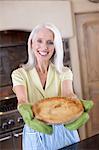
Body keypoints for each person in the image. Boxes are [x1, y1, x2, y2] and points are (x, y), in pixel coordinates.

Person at [11, 23, 80, 150]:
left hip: (64, 132)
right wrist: (25, 109)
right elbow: (23, 100)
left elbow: (68, 95)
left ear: (56, 47)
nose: (44, 47)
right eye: (39, 41)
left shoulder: (64, 72)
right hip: (36, 131)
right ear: (31, 43)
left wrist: (76, 103)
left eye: (50, 42)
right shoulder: (19, 74)